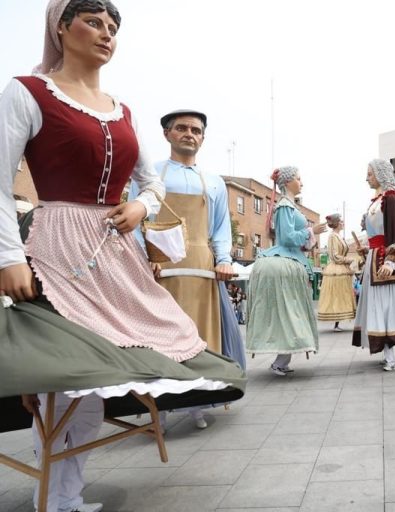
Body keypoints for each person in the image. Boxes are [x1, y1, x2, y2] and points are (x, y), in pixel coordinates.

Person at [0, 1, 245, 510]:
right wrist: (8, 256)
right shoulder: (27, 92)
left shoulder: (122, 109)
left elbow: (151, 183)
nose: (106, 34)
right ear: (61, 27)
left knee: (109, 371)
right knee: (69, 370)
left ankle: (66, 493)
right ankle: (56, 495)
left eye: (113, 27)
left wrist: (139, 205)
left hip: (114, 251)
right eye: (93, 22)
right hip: (57, 244)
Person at [130, 108, 237, 430]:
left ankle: (197, 403)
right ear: (167, 134)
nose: (189, 134)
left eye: (196, 130)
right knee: (160, 335)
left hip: (201, 265)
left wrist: (223, 259)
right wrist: (142, 258)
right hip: (159, 265)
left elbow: (221, 227)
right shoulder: (149, 175)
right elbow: (136, 221)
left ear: (202, 138)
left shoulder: (214, 183)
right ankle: (159, 408)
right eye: (182, 128)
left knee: (202, 333)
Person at [246, 166, 327, 375]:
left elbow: (295, 240)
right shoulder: (283, 206)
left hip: (292, 260)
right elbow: (287, 238)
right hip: (284, 262)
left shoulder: (289, 206)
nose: (302, 183)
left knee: (291, 309)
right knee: (288, 309)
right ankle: (280, 359)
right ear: (288, 181)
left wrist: (309, 235)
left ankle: (283, 359)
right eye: (299, 179)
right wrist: (311, 230)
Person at [352, 159, 395, 371]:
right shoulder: (376, 201)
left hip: (384, 260)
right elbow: (377, 235)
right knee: (378, 307)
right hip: (374, 259)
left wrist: (391, 262)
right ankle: (386, 352)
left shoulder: (391, 197)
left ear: (381, 174)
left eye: (370, 174)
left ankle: (390, 355)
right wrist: (368, 250)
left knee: (386, 308)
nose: (366, 178)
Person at [317, 214, 357, 331]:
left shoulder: (339, 236)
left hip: (342, 268)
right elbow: (334, 256)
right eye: (341, 221)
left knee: (342, 294)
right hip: (336, 268)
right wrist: (348, 260)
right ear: (337, 223)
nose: (343, 223)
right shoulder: (333, 236)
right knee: (337, 295)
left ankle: (338, 321)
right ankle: (336, 322)